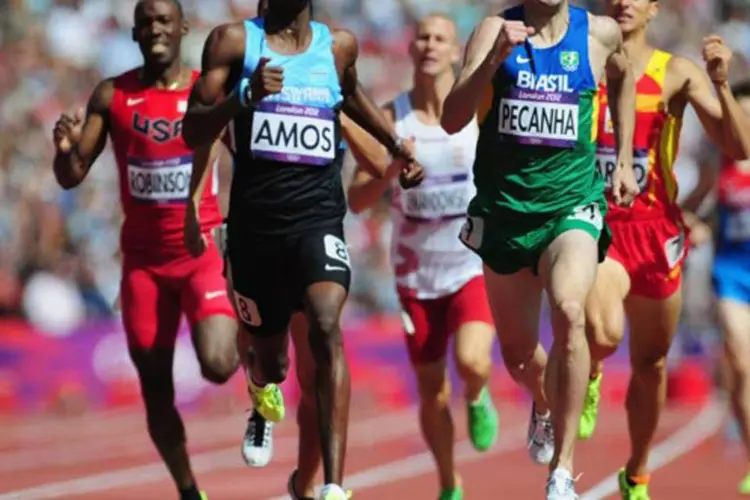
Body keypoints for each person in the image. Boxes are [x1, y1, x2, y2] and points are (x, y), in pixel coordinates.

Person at [181, 0, 423, 497]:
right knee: (273, 363)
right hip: (255, 231)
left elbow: (351, 97)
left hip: (318, 220)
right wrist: (243, 96)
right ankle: (260, 386)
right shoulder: (232, 43)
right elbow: (193, 129)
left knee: (327, 324)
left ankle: (334, 486)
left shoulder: (337, 47)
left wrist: (396, 145)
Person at [441, 1, 638, 497]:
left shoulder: (600, 33)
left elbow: (623, 79)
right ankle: (543, 403)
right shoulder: (493, 29)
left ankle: (563, 471)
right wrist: (492, 61)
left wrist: (623, 158)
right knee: (518, 356)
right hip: (505, 212)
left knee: (570, 309)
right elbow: (451, 118)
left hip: (571, 204)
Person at [51, 2, 240, 500]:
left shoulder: (209, 89)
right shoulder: (113, 95)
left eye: (163, 21)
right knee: (156, 390)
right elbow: (71, 176)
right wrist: (64, 150)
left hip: (200, 255)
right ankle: (188, 489)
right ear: (134, 32)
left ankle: (259, 350)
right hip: (145, 267)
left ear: (181, 29)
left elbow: (250, 156)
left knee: (219, 364)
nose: (155, 30)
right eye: (146, 22)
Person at [579, 0, 750, 495]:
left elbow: (738, 149)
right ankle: (589, 367)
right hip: (597, 223)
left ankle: (636, 469)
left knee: (651, 364)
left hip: (655, 231)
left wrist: (719, 82)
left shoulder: (674, 72)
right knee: (604, 331)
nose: (622, 3)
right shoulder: (583, 66)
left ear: (654, 9)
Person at [345, 13, 498, 500]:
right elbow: (357, 198)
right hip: (416, 277)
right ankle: (449, 481)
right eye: (423, 38)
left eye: (441, 38)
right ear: (410, 51)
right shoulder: (392, 117)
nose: (430, 45)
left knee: (473, 361)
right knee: (431, 390)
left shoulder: (477, 109)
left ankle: (477, 394)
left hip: (470, 266)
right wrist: (392, 165)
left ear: (456, 53)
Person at [710, 81, 750, 495]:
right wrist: (696, 221)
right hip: (732, 271)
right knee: (740, 359)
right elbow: (704, 198)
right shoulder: (722, 159)